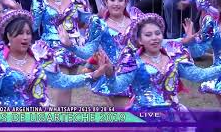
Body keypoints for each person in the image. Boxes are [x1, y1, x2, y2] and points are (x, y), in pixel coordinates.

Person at [91, 13, 221, 124]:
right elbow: (116, 87)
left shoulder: (174, 56)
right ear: (140, 40)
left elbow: (199, 75)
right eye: (148, 35)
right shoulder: (133, 61)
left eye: (157, 33)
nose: (154, 38)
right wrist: (109, 74)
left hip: (173, 117)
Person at [0, 9, 102, 106]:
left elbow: (62, 81)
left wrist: (93, 75)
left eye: (28, 33)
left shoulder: (41, 55)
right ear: (8, 36)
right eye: (19, 33)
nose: (25, 37)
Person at [58, 0, 143, 108]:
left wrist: (183, 41)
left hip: (136, 74)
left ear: (126, 2)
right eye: (112, 0)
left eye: (120, 0)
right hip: (112, 74)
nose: (116, 3)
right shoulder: (99, 25)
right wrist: (70, 45)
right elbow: (88, 51)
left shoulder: (136, 23)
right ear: (106, 2)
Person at [31, 0, 91, 106]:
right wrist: (36, 9)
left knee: (67, 85)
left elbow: (85, 22)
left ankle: (62, 120)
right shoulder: (41, 0)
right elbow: (33, 26)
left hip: (73, 47)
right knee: (63, 82)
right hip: (52, 48)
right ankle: (60, 121)